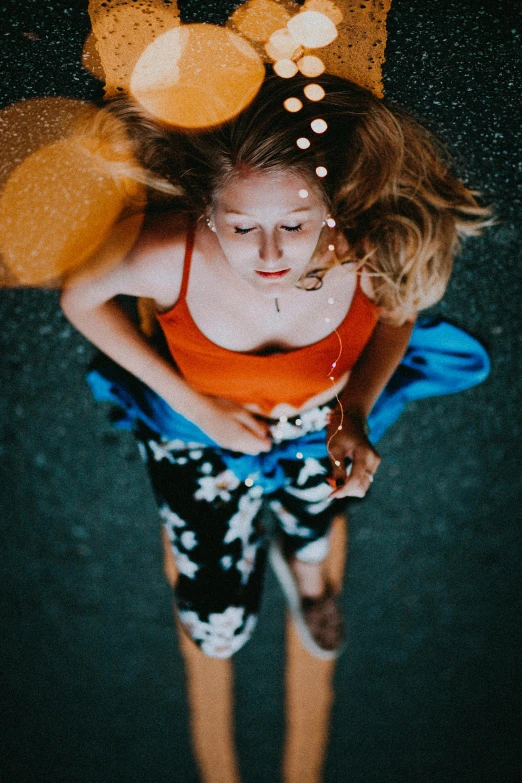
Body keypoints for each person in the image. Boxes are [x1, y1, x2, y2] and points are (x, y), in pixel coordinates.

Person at [60, 72, 489, 659]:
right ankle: (277, 545)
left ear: (329, 205)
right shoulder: (167, 255)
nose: (270, 255)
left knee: (319, 508)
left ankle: (306, 567)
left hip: (323, 423)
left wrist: (354, 411)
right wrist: (195, 407)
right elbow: (77, 298)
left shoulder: (367, 249)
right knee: (217, 635)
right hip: (196, 427)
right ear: (207, 209)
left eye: (294, 224)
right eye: (242, 227)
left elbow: (399, 309)